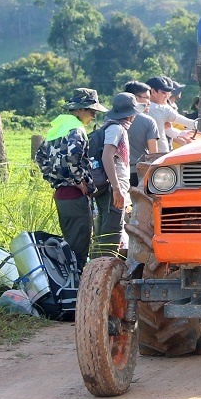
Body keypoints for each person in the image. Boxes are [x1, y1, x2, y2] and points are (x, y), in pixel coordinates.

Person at [33, 87, 106, 271]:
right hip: (75, 195)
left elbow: (39, 157)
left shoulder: (56, 128)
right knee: (79, 247)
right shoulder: (76, 129)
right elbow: (74, 156)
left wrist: (54, 179)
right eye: (92, 111)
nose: (94, 116)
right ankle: (77, 290)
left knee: (70, 242)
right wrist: (79, 180)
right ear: (80, 110)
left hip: (61, 194)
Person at [88, 92, 140, 259]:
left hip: (112, 188)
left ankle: (96, 268)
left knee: (104, 231)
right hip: (113, 189)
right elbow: (107, 156)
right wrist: (117, 188)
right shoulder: (116, 129)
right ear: (131, 115)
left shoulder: (113, 126)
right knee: (112, 233)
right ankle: (103, 272)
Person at [122, 80, 161, 186]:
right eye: (147, 98)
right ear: (135, 98)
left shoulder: (110, 118)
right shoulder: (149, 122)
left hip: (117, 174)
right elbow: (154, 155)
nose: (149, 102)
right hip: (139, 174)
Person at [145, 76, 197, 152]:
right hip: (160, 155)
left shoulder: (137, 108)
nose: (166, 96)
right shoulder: (162, 109)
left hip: (141, 157)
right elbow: (190, 123)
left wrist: (185, 142)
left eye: (167, 93)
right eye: (163, 93)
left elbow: (169, 131)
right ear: (153, 92)